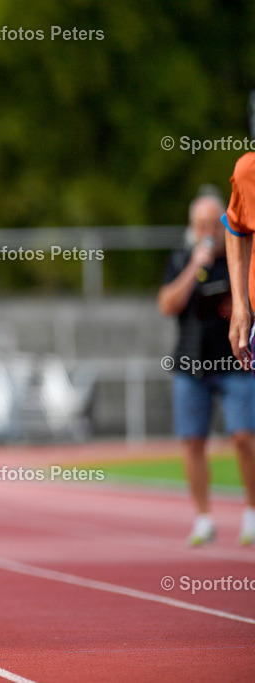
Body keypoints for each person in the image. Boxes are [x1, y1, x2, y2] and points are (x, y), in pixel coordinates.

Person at [164, 190, 255, 546]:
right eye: (201, 224)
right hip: (191, 365)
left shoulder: (239, 257)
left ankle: (251, 512)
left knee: (243, 436)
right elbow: (167, 305)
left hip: (235, 361)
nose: (208, 231)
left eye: (214, 223)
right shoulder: (181, 258)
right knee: (192, 441)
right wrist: (193, 268)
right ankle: (203, 518)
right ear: (192, 227)